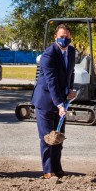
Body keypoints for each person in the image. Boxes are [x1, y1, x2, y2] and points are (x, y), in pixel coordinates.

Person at [32, 24, 76, 179]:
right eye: (61, 36)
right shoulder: (48, 56)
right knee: (47, 137)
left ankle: (57, 168)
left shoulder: (71, 51)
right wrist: (59, 105)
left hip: (61, 100)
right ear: (55, 37)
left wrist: (70, 90)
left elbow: (71, 73)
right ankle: (47, 171)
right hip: (45, 101)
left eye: (67, 36)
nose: (64, 39)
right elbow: (51, 83)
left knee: (58, 136)